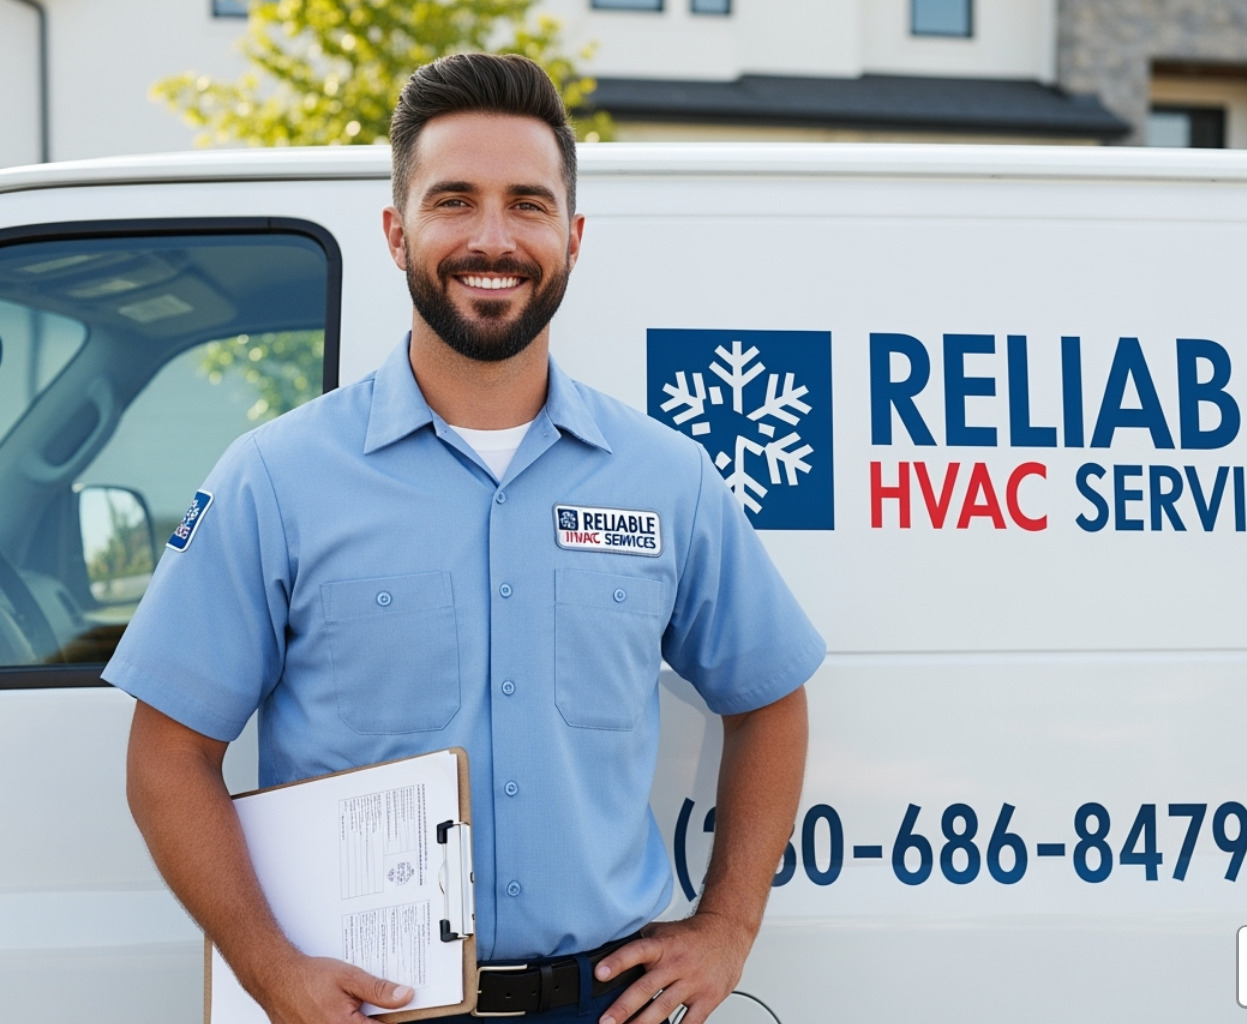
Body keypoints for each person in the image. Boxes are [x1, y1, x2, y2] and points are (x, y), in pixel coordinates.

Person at [106, 52, 823, 1024]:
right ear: (398, 232)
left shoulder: (668, 479)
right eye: (455, 201)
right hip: (369, 1009)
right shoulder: (275, 479)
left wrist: (728, 926)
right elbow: (166, 756)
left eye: (528, 204)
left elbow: (771, 697)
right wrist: (270, 968)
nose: (494, 238)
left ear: (572, 236)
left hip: (602, 1006)